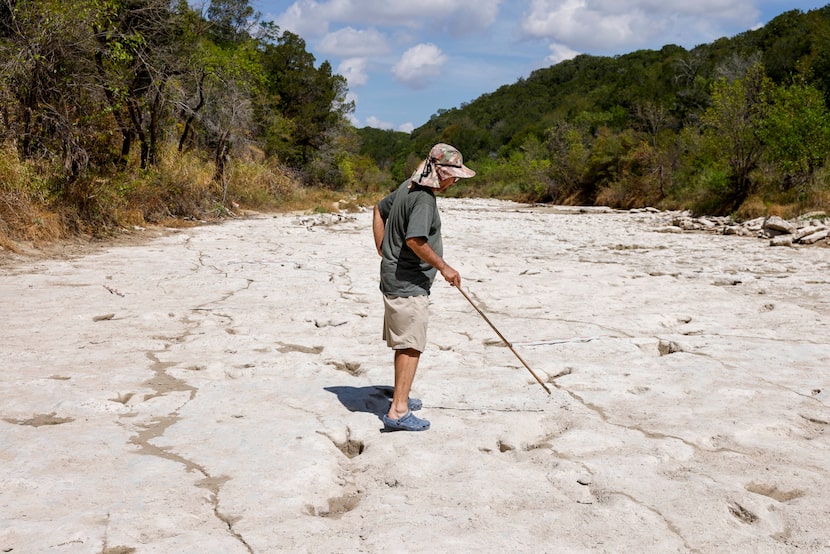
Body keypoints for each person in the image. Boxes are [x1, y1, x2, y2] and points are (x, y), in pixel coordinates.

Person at [372, 143, 476, 431]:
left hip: (397, 278)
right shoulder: (424, 200)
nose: (456, 181)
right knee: (410, 346)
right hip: (407, 282)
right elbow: (415, 240)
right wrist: (445, 267)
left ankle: (400, 398)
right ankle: (398, 412)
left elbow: (378, 209)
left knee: (408, 343)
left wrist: (383, 249)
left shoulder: (408, 186)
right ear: (441, 172)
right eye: (454, 175)